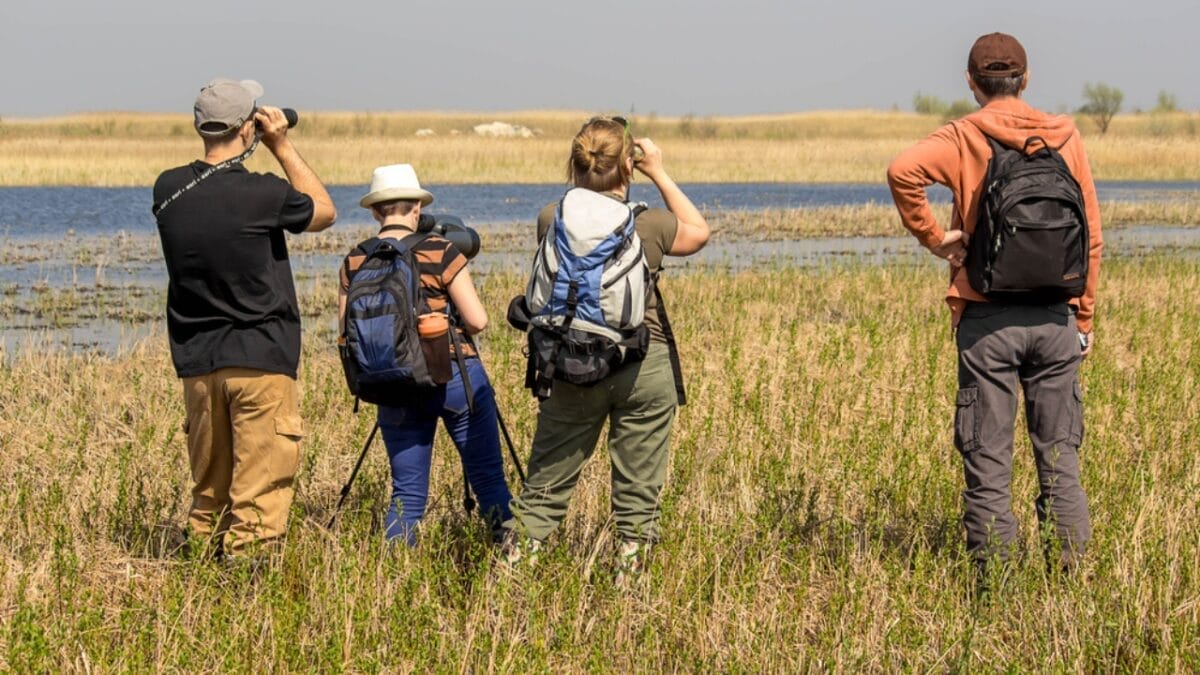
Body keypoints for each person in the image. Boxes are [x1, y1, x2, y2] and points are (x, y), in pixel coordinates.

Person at [887, 34, 1103, 579]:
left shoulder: (964, 134)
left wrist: (936, 238)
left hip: (986, 321)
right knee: (1060, 462)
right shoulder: (1065, 135)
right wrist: (1085, 316)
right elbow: (1092, 237)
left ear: (970, 82)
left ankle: (998, 590)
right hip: (1057, 319)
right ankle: (1072, 588)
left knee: (988, 464)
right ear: (1026, 79)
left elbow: (902, 172)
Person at [501, 117, 710, 578]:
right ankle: (629, 584)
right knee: (638, 486)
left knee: (546, 482)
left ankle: (516, 575)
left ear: (575, 164)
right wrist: (658, 170)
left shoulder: (551, 218)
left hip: (568, 362)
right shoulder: (648, 224)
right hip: (642, 363)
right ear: (627, 168)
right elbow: (698, 231)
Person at [154, 78, 337, 559]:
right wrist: (280, 143)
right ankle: (248, 599)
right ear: (245, 126)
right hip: (260, 361)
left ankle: (194, 588)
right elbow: (324, 212)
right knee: (257, 504)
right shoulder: (262, 194)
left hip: (198, 366)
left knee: (208, 500)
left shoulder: (169, 188)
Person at [339, 164, 513, 545]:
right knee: (487, 478)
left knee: (406, 495)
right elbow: (478, 320)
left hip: (393, 384)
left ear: (374, 212)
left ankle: (394, 573)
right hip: (454, 378)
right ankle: (512, 561)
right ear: (417, 208)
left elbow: (345, 332)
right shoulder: (441, 250)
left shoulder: (355, 260)